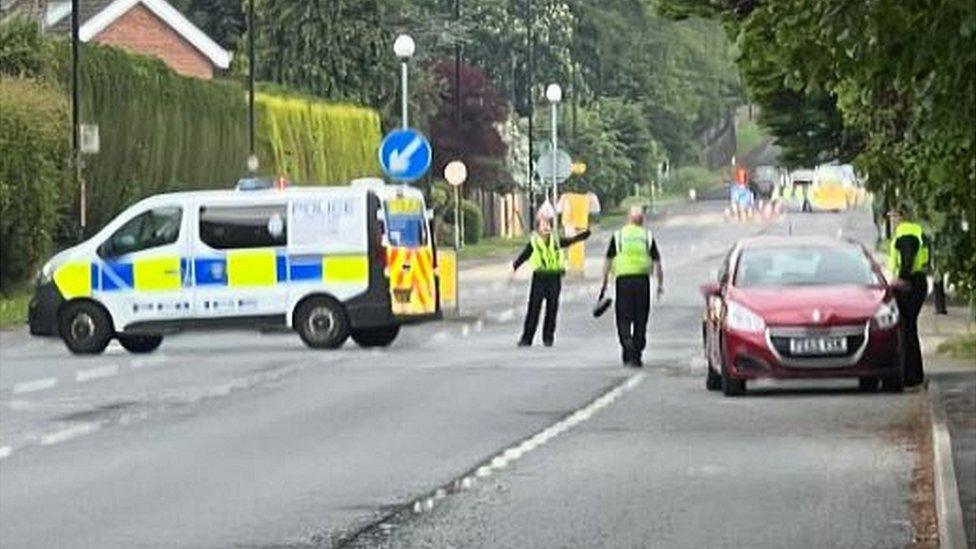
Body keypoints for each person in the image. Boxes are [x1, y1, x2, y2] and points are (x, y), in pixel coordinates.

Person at [511, 213, 591, 347]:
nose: (547, 227)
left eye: (548, 224)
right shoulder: (534, 242)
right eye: (543, 225)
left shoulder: (555, 240)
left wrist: (583, 236)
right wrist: (514, 268)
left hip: (554, 277)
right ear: (538, 229)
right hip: (540, 278)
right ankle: (527, 339)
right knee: (534, 308)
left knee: (552, 308)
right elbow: (523, 256)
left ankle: (548, 338)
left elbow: (569, 241)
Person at [603, 206, 663, 367]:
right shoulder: (647, 236)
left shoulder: (619, 236)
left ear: (628, 218)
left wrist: (604, 283)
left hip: (623, 281)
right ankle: (636, 353)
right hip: (642, 281)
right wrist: (660, 284)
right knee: (640, 317)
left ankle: (627, 345)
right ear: (642, 219)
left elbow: (608, 260)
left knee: (623, 317)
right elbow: (657, 261)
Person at [888, 210, 930, 387]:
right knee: (909, 328)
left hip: (909, 284)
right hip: (918, 282)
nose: (891, 221)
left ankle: (909, 375)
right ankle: (914, 374)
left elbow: (908, 256)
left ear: (900, 216)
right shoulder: (916, 230)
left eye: (892, 217)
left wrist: (901, 279)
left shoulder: (905, 233)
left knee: (906, 329)